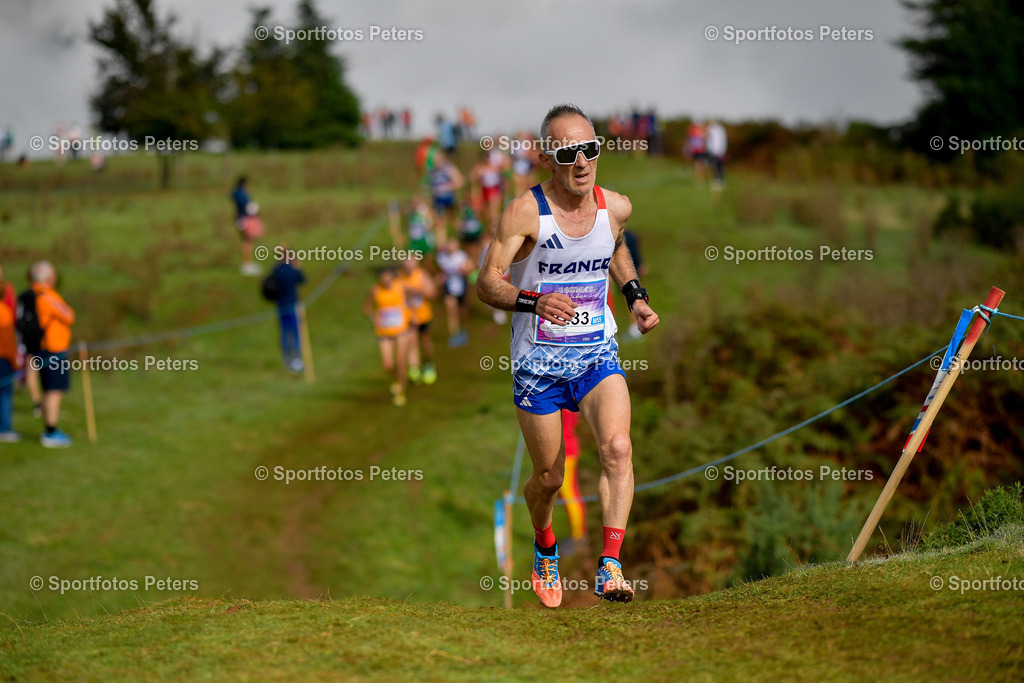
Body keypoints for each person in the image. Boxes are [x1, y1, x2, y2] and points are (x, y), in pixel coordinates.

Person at [477, 104, 659, 608]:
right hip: (538, 365)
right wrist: (535, 301)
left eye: (590, 150)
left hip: (596, 353)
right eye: (568, 153)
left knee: (618, 448)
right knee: (549, 478)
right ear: (547, 159)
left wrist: (635, 296)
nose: (582, 162)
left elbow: (615, 245)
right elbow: (487, 284)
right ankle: (544, 543)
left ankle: (610, 566)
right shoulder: (524, 212)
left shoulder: (615, 206)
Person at [30, 261, 76, 448]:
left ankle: (50, 428)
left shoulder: (30, 295)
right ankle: (50, 432)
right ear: (49, 277)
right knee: (54, 391)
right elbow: (69, 315)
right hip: (53, 350)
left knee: (50, 388)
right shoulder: (46, 296)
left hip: (41, 348)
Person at [363, 267, 411, 406]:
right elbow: (366, 307)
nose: (386, 280)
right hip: (383, 332)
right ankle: (397, 379)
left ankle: (401, 390)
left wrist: (411, 312)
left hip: (401, 330)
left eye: (388, 277)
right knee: (388, 365)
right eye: (383, 277)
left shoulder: (400, 286)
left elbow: (411, 298)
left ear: (392, 277)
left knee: (401, 361)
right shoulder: (375, 290)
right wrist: (373, 317)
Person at [399, 256, 438, 385]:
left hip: (423, 315)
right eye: (406, 261)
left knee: (425, 341)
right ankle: (414, 369)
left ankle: (428, 363)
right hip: (408, 316)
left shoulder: (422, 275)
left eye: (411, 261)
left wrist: (418, 291)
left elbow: (433, 294)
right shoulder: (400, 277)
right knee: (412, 341)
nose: (409, 264)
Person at [269, 248, 306, 372]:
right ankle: (296, 358)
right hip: (293, 305)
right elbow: (302, 279)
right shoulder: (292, 270)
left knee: (284, 333)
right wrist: (297, 267)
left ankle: (287, 359)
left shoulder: (276, 269)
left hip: (280, 305)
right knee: (295, 333)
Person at [15, 267, 43, 418]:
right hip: (35, 340)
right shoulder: (35, 295)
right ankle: (39, 404)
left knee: (35, 371)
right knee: (33, 371)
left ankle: (41, 404)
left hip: (31, 339)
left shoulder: (23, 295)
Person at [436, 239, 471, 348]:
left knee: (462, 311)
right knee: (451, 311)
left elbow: (470, 269)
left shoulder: (462, 256)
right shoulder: (443, 258)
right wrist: (441, 278)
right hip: (448, 288)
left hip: (461, 287)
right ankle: (454, 335)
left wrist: (464, 270)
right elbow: (441, 272)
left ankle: (462, 329)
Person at [0, 272, 20, 442]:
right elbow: (8, 343)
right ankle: (5, 429)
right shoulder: (4, 314)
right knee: (5, 394)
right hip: (2, 359)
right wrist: (14, 362)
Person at [429, 151, 465, 242]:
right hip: (437, 201)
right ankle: (442, 245)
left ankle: (463, 239)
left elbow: (460, 181)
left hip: (449, 199)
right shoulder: (433, 171)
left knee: (453, 221)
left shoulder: (448, 168)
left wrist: (446, 187)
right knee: (439, 223)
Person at [471, 148, 506, 235]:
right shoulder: (480, 167)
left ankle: (497, 231)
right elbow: (472, 178)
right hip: (484, 190)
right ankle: (489, 232)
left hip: (494, 190)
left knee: (494, 213)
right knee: (486, 215)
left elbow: (504, 172)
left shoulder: (495, 166)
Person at [232, 177, 262, 276]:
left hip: (241, 219)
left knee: (247, 241)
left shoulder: (237, 193)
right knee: (248, 241)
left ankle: (248, 263)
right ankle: (246, 264)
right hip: (244, 219)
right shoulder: (241, 194)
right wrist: (256, 211)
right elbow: (248, 207)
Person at [706, 120, 727, 190]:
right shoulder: (709, 129)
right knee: (713, 165)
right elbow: (708, 140)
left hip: (720, 150)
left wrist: (723, 150)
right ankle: (715, 180)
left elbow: (723, 140)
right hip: (712, 151)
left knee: (720, 165)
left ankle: (721, 179)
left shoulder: (721, 129)